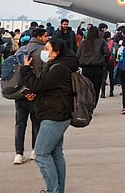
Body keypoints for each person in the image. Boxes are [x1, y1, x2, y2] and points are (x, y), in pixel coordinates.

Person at [21, 38, 79, 193]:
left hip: (55, 115)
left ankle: (53, 190)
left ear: (56, 52)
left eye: (47, 49)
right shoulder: (56, 66)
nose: (44, 52)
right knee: (55, 154)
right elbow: (45, 86)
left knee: (41, 154)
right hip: (57, 113)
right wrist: (33, 93)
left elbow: (38, 84)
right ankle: (58, 190)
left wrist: (26, 69)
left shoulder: (60, 68)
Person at [14, 27, 47, 165]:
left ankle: (19, 153)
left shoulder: (20, 51)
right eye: (45, 36)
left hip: (19, 94)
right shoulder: (43, 52)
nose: (47, 38)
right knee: (36, 123)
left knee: (20, 124)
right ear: (39, 37)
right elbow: (43, 74)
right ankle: (35, 150)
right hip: (35, 93)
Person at [78, 26, 108, 106]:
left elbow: (78, 54)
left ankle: (87, 104)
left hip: (86, 68)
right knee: (96, 88)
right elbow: (107, 53)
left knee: (86, 88)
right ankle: (93, 104)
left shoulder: (84, 42)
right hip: (98, 68)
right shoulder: (101, 41)